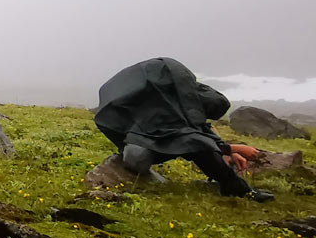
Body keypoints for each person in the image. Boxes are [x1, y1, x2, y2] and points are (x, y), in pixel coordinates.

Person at [93, 57, 271, 201]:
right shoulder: (166, 104)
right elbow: (184, 135)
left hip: (138, 141)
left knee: (194, 141)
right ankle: (235, 187)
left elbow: (196, 126)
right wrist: (231, 148)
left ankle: (229, 182)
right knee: (193, 144)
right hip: (138, 153)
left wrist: (224, 149)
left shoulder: (175, 93)